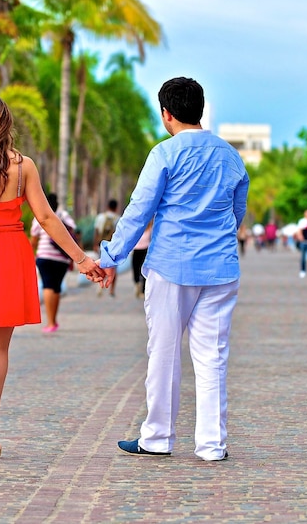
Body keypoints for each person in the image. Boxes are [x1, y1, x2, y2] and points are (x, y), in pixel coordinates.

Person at [0, 93, 103, 462]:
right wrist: (80, 258)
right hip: (10, 255)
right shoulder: (22, 166)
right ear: (4, 123)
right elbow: (46, 218)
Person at [97, 77, 249, 461]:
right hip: (219, 269)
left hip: (171, 266)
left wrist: (110, 256)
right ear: (198, 110)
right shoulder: (231, 156)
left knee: (163, 352)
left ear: (166, 114)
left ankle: (158, 438)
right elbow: (237, 211)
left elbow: (139, 210)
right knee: (212, 356)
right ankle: (212, 446)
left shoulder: (164, 154)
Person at [30, 193, 78, 333]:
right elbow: (73, 230)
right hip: (61, 258)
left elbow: (34, 238)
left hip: (44, 256)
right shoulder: (63, 215)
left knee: (48, 286)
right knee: (56, 287)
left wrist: (31, 253)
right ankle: (53, 320)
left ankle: (50, 322)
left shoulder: (38, 215)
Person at [94, 199, 120, 297]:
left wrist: (95, 244)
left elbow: (96, 231)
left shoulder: (100, 217)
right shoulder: (118, 218)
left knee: (100, 266)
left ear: (107, 206)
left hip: (101, 245)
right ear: (116, 207)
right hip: (113, 247)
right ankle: (111, 290)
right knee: (113, 269)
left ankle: (100, 286)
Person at [132, 221, 153, 298]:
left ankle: (143, 290)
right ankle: (137, 284)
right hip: (136, 250)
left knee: (144, 270)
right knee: (135, 269)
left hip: (145, 251)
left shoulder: (151, 228)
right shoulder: (138, 228)